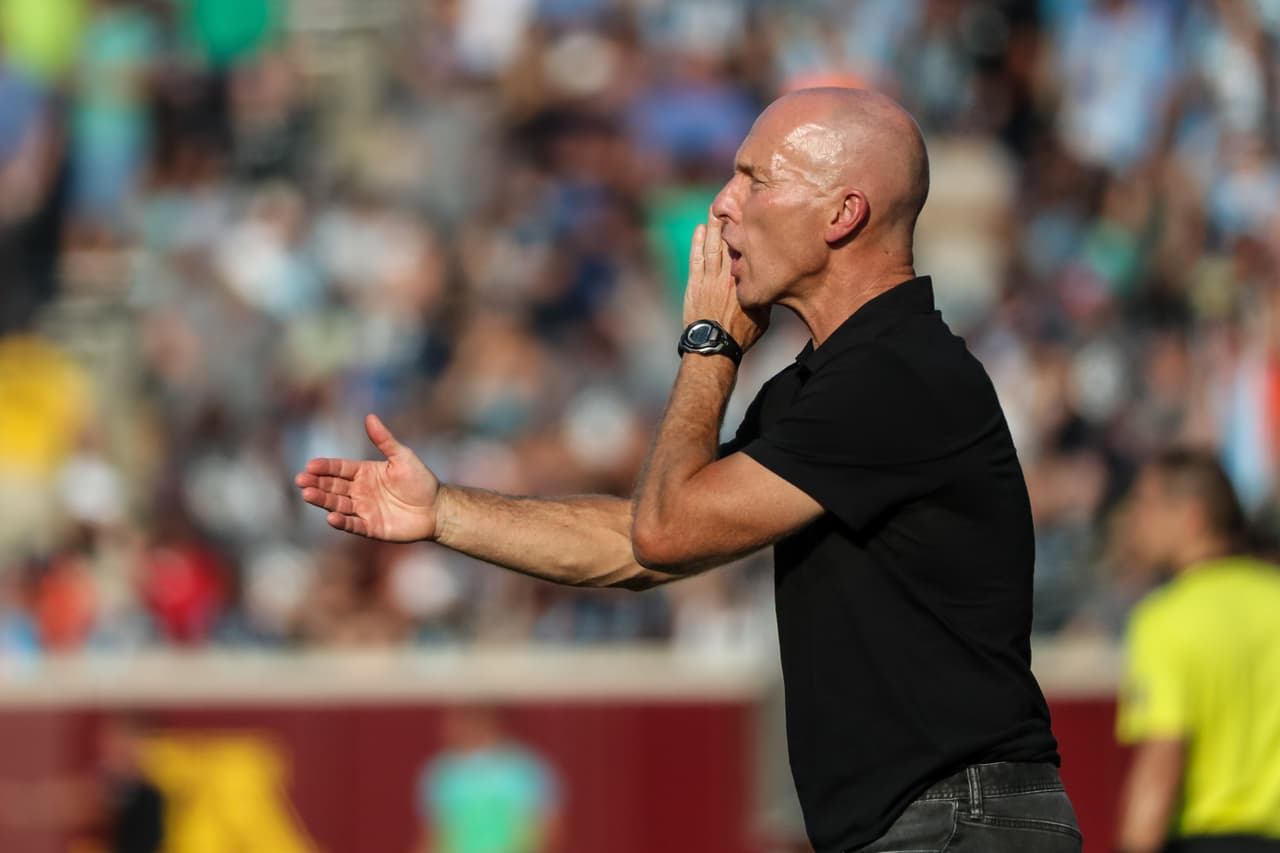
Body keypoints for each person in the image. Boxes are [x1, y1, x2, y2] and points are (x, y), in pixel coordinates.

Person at [296, 87, 1079, 853]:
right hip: (933, 819)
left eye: (755, 179)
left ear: (843, 214)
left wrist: (711, 343)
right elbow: (642, 541)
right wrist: (443, 511)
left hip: (956, 819)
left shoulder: (894, 374)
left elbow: (665, 531)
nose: (722, 204)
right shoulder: (831, 383)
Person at [1115, 450, 1280, 853]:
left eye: (1146, 504)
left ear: (1192, 517)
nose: (1134, 519)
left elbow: (1162, 761)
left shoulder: (1167, 619)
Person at [415, 706, 561, 853]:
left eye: (462, 720)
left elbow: (545, 830)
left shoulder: (525, 768)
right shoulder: (439, 772)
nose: (450, 728)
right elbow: (436, 834)